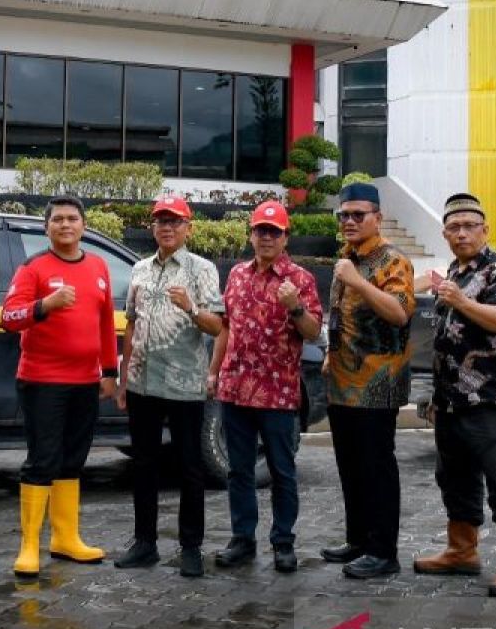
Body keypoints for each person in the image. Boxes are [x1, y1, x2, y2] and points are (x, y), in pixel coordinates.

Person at [413, 192, 496, 597]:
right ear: (445, 234)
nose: (462, 233)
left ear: (486, 230)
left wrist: (461, 300)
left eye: (469, 226)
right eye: (454, 227)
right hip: (452, 400)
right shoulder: (455, 270)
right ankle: (461, 550)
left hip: (493, 399)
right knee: (455, 479)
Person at [1, 195, 119, 578]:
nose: (65, 225)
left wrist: (108, 371)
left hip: (85, 382)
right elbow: (9, 317)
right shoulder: (33, 267)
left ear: (83, 225)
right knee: (43, 460)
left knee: (73, 459)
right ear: (46, 227)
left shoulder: (99, 266)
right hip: (42, 381)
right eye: (58, 220)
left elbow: (104, 323)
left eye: (72, 219)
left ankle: (65, 538)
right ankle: (29, 545)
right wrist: (45, 305)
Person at [114, 196, 224, 578]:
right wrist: (124, 377)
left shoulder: (202, 269)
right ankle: (144, 543)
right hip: (143, 380)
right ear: (152, 227)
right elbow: (131, 324)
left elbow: (217, 326)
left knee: (189, 466)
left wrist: (191, 308)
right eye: (161, 221)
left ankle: (190, 546)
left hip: (183, 382)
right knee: (143, 465)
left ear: (188, 229)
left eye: (175, 222)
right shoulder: (141, 269)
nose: (167, 228)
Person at [209, 201, 321, 573]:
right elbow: (226, 327)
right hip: (236, 389)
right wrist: (214, 372)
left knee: (281, 472)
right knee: (238, 471)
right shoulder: (238, 274)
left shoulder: (299, 280)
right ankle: (242, 538)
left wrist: (295, 307)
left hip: (277, 393)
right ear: (251, 235)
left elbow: (314, 333)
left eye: (274, 232)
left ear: (285, 237)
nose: (267, 238)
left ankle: (283, 541)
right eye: (261, 231)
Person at [321, 182, 415, 580]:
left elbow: (399, 313)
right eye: (344, 215)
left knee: (377, 468)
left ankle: (383, 551)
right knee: (350, 466)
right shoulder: (347, 259)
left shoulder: (392, 261)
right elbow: (340, 316)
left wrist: (359, 281)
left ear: (377, 217)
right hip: (342, 382)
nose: (350, 221)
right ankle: (358, 539)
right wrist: (329, 354)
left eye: (358, 215)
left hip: (378, 385)